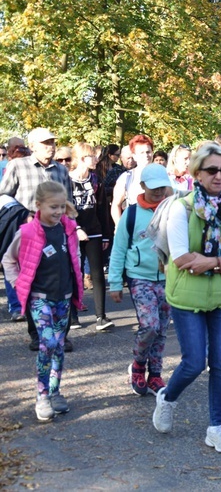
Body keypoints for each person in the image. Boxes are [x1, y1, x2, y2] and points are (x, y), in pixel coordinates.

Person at [152, 143, 221, 454]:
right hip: (186, 298)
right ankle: (167, 397)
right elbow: (180, 258)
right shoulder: (183, 208)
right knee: (194, 363)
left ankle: (216, 427)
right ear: (197, 173)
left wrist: (210, 263)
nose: (219, 175)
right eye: (212, 170)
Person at [2, 181, 84, 421]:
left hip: (64, 297)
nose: (58, 212)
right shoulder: (27, 232)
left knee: (59, 346)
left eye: (61, 206)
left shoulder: (68, 229)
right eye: (52, 207)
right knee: (47, 342)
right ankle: (42, 395)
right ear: (38, 206)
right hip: (39, 298)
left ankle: (56, 392)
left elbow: (74, 257)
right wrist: (19, 283)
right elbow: (8, 260)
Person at [0, 128, 73, 351]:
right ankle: (36, 333)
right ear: (32, 146)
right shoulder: (18, 166)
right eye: (45, 143)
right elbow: (3, 196)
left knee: (63, 278)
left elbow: (69, 202)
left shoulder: (61, 170)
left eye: (52, 143)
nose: (50, 147)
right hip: (30, 233)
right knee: (34, 281)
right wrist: (23, 214)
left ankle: (62, 333)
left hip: (57, 231)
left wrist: (73, 227)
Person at [109, 164, 173, 396]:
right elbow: (119, 249)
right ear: (143, 185)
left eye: (161, 187)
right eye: (153, 187)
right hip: (140, 278)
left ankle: (155, 375)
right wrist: (115, 282)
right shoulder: (132, 213)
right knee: (150, 325)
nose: (157, 192)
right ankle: (138, 366)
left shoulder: (173, 209)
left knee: (163, 329)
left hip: (168, 278)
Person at [68, 142, 115, 331]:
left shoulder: (96, 180)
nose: (96, 159)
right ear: (81, 158)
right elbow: (65, 208)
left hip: (95, 231)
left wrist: (105, 235)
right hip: (73, 232)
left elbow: (103, 208)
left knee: (97, 274)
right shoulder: (67, 180)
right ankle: (72, 317)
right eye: (92, 157)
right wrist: (76, 227)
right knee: (74, 273)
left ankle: (101, 317)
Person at [111, 135, 154, 226]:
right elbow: (116, 205)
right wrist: (120, 228)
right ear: (134, 155)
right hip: (134, 227)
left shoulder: (163, 175)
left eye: (148, 152)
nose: (146, 155)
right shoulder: (126, 178)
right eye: (141, 152)